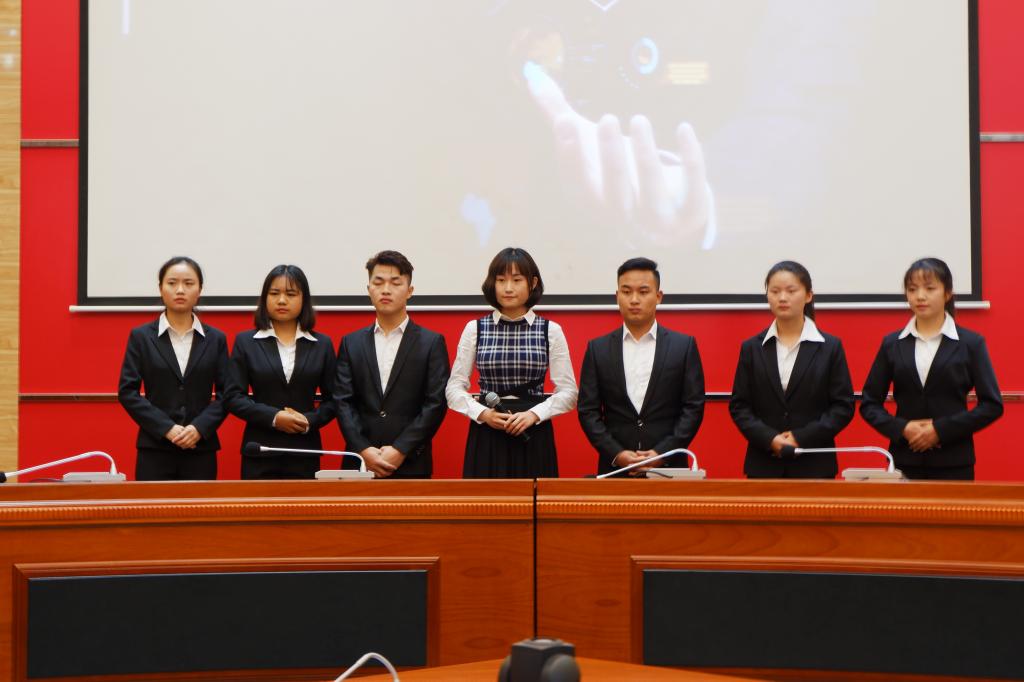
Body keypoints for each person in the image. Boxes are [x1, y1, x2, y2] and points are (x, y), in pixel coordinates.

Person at [860, 258, 1003, 480]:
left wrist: (940, 430)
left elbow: (992, 405)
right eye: (912, 289)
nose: (920, 296)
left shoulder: (971, 343)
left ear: (948, 293)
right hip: (904, 459)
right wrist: (902, 428)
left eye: (929, 288)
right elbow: (869, 403)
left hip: (954, 462)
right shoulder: (892, 343)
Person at [446, 247, 577, 478]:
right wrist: (483, 414)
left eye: (516, 280)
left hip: (533, 431)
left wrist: (534, 415)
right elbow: (454, 388)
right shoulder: (475, 329)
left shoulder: (550, 330)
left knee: (535, 499)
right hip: (487, 431)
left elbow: (569, 393)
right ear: (492, 283)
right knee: (486, 500)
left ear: (532, 283)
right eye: (501, 280)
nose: (508, 288)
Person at [578, 257, 704, 476]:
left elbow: (693, 408)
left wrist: (662, 453)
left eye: (643, 292)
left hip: (669, 468)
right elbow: (588, 411)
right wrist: (617, 454)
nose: (634, 299)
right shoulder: (597, 349)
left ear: (658, 296)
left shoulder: (683, 346)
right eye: (626, 292)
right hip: (615, 470)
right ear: (617, 296)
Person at [728, 261, 855, 478]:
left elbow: (842, 407)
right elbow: (740, 406)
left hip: (814, 464)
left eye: (791, 291)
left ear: (808, 295)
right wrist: (769, 438)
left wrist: (800, 438)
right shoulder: (752, 347)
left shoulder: (830, 347)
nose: (782, 298)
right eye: (775, 291)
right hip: (764, 464)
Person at [335, 251, 450, 478]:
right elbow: (343, 401)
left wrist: (401, 449)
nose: (386, 290)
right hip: (360, 462)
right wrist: (364, 449)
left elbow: (435, 403)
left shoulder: (431, 342)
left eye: (395, 283)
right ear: (369, 289)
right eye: (378, 282)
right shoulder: (351, 342)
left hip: (410, 462)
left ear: (409, 291)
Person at [118, 257, 229, 480]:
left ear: (200, 290)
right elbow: (127, 392)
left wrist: (199, 428)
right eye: (172, 283)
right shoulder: (141, 337)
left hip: (200, 448)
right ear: (160, 288)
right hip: (155, 448)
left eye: (188, 283)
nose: (180, 290)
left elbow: (228, 393)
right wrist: (166, 428)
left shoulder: (216, 338)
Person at [225, 265, 337, 479]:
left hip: (305, 451)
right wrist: (274, 417)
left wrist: (308, 421)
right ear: (265, 298)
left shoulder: (322, 344)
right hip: (259, 451)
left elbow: (334, 400)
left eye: (291, 294)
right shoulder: (246, 342)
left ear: (304, 299)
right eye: (274, 293)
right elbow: (233, 397)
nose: (282, 300)